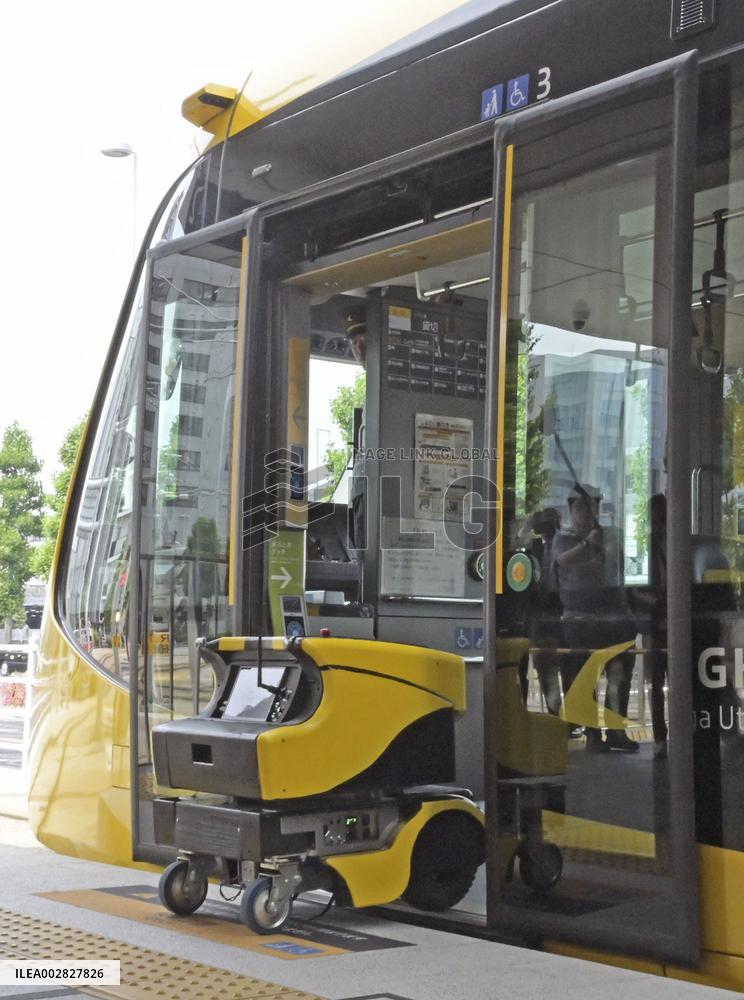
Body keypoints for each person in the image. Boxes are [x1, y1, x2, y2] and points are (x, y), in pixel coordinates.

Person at [552, 486, 638, 752]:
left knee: (620, 675)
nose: (587, 512)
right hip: (580, 619)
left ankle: (616, 730)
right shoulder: (563, 539)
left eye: (592, 506)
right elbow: (563, 561)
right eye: (580, 506)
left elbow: (623, 570)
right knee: (585, 678)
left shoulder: (612, 534)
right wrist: (589, 543)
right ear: (571, 510)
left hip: (615, 618)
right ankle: (592, 734)